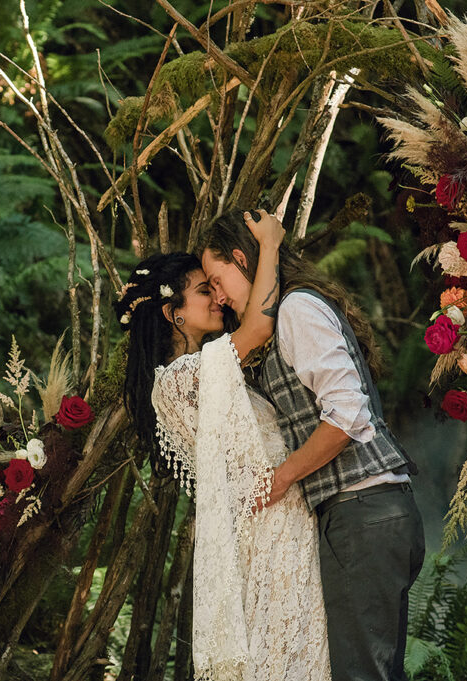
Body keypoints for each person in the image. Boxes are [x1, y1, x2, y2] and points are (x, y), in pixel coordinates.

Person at [198, 210, 425, 681]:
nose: (218, 297)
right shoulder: (289, 315)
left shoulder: (297, 310)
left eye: (218, 280)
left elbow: (346, 415)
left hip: (362, 513)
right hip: (369, 514)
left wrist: (281, 477)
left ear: (242, 258)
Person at [114, 210, 330, 681]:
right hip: (269, 529)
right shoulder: (177, 382)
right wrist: (269, 246)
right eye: (202, 290)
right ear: (174, 314)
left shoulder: (213, 370)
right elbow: (258, 328)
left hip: (283, 519)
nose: (216, 297)